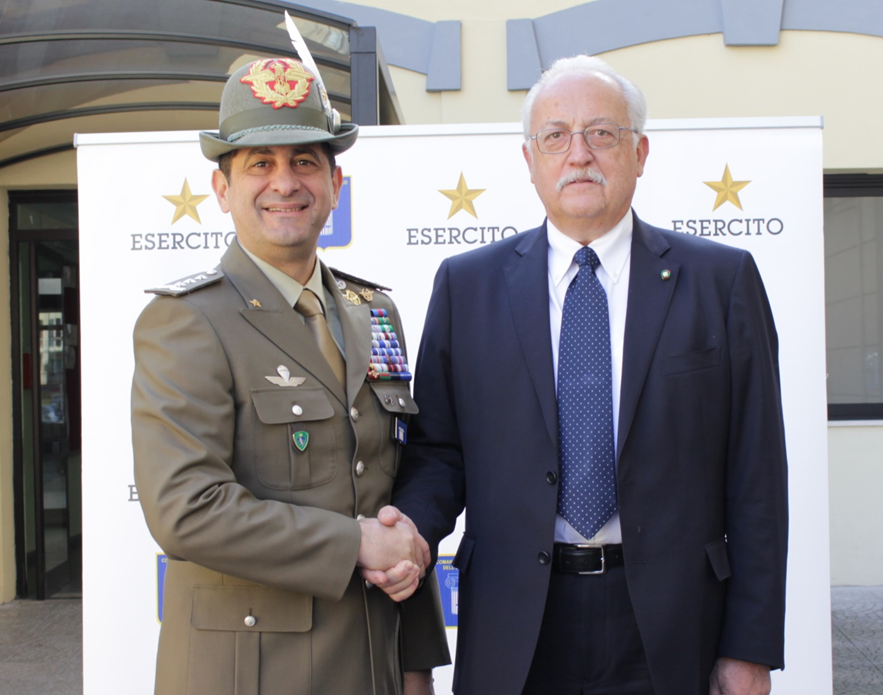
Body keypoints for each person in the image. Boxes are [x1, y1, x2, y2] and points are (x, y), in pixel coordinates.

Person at [378, 55, 788, 695]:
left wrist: (750, 648)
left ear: (640, 151)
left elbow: (758, 478)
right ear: (530, 159)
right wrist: (406, 535)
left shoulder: (721, 281)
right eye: (555, 136)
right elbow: (438, 453)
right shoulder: (467, 286)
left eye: (602, 133)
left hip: (675, 626)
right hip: (517, 623)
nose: (579, 154)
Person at [131, 57, 449, 695]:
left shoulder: (374, 312)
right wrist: (353, 544)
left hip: (372, 666)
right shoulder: (185, 321)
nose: (285, 182)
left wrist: (415, 663)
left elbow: (389, 490)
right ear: (222, 190)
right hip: (250, 674)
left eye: (305, 161)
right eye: (260, 163)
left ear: (335, 183)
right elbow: (185, 510)